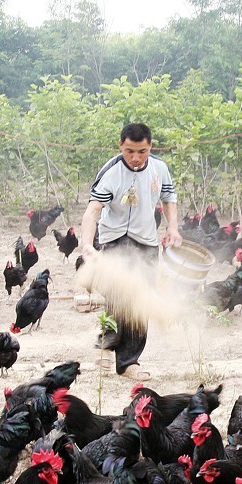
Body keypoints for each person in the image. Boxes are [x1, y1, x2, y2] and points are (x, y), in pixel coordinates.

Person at [79, 122, 181, 379]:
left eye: (142, 152)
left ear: (150, 147)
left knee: (141, 301)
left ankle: (128, 363)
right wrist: (87, 245)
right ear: (121, 146)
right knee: (119, 293)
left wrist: (173, 228)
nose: (135, 158)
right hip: (115, 239)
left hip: (146, 241)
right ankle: (106, 344)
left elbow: (168, 199)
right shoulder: (111, 172)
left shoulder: (160, 169)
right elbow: (93, 211)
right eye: (129, 151)